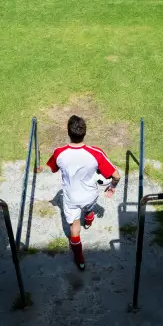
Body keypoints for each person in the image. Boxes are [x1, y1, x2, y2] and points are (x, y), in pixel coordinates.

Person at [35, 115, 120, 270]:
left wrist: (39, 169)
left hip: (71, 198)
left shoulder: (59, 152)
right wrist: (112, 187)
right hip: (90, 195)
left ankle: (80, 258)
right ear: (85, 132)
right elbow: (116, 175)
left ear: (68, 132)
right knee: (88, 208)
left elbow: (52, 168)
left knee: (74, 228)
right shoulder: (96, 153)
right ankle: (89, 219)